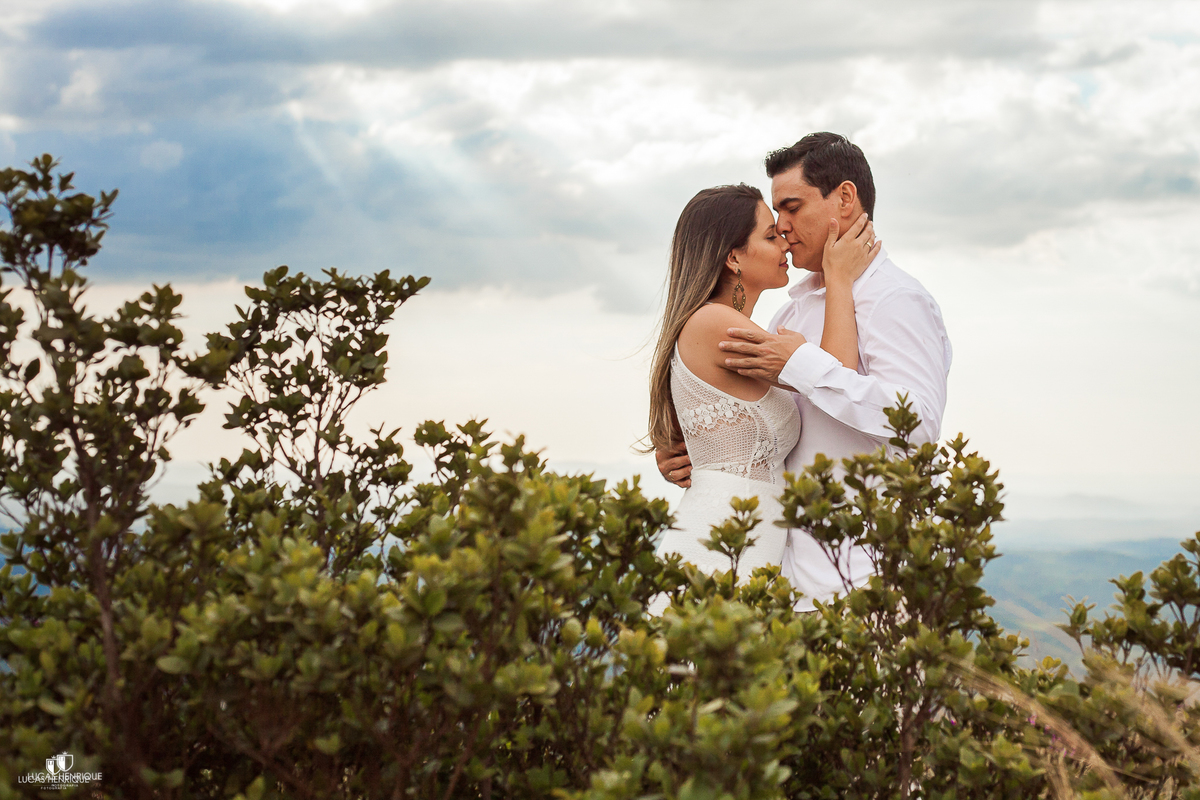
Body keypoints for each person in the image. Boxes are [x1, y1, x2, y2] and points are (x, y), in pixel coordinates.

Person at [656, 132, 953, 610]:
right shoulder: (789, 317)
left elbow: (915, 423)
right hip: (782, 576)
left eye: (792, 207)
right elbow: (771, 423)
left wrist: (801, 362)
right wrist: (696, 449)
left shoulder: (896, 301)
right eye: (775, 219)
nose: (783, 226)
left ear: (846, 198)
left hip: (861, 578)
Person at [645, 182, 878, 613]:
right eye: (770, 237)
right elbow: (836, 373)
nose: (784, 244)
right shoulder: (717, 323)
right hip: (722, 538)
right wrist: (839, 277)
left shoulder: (732, 328)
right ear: (734, 257)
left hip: (752, 539)